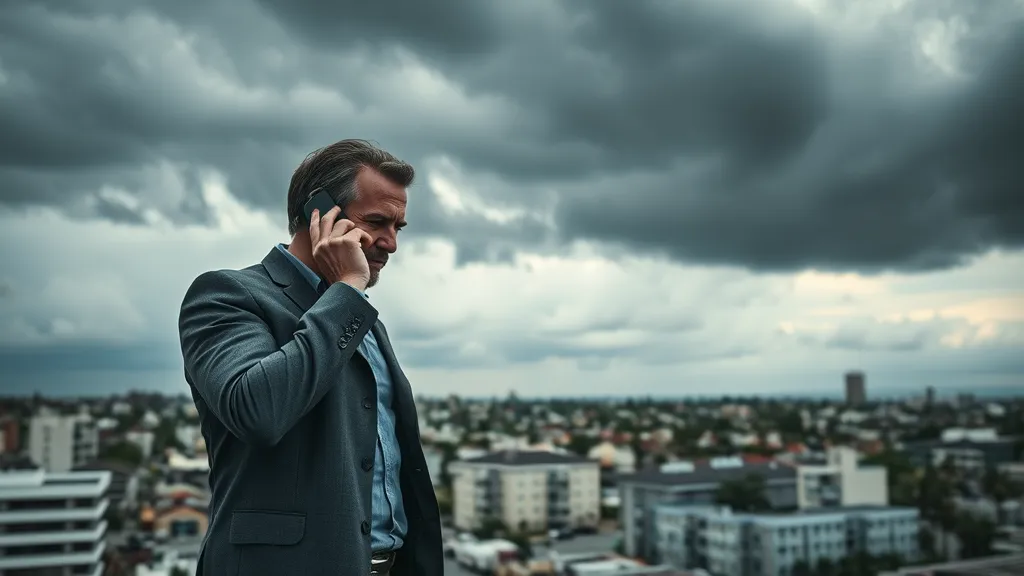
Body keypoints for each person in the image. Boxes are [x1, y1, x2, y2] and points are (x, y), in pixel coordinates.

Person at [178, 139, 442, 576]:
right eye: (377, 222)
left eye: (399, 227)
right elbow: (258, 410)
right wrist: (347, 288)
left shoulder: (363, 321)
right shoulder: (227, 296)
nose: (391, 244)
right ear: (319, 212)